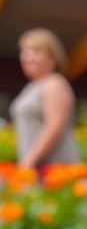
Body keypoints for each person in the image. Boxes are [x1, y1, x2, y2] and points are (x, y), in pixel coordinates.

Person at [9, 28, 80, 168]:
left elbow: (54, 127)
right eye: (24, 52)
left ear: (52, 57)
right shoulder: (31, 87)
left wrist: (29, 160)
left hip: (53, 167)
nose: (27, 57)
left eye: (35, 51)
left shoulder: (54, 84)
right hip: (36, 164)